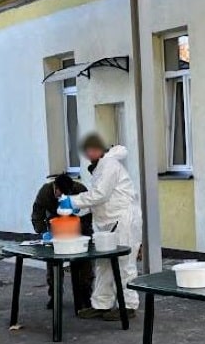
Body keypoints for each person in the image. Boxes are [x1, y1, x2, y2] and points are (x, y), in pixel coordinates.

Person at [62, 134, 142, 320]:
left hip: (123, 221)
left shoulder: (109, 165)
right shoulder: (100, 167)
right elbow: (99, 200)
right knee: (104, 263)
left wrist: (73, 201)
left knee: (124, 264)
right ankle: (101, 304)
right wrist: (78, 209)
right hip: (108, 222)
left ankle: (128, 306)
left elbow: (100, 194)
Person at [31, 173, 94, 316]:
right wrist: (43, 232)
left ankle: (85, 295)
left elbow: (89, 213)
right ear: (55, 187)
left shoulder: (80, 190)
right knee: (54, 262)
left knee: (84, 262)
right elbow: (37, 214)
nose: (62, 197)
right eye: (60, 194)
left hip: (77, 224)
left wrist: (81, 229)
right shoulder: (45, 193)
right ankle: (55, 295)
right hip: (55, 225)